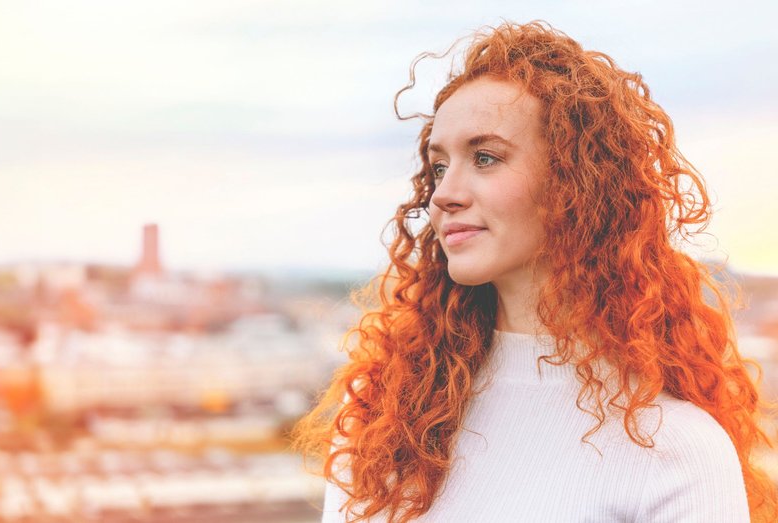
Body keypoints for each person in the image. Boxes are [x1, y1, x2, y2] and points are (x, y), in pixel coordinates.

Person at [290, 20, 778, 523]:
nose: (443, 194)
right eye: (439, 167)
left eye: (485, 157)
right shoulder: (386, 419)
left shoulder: (675, 448)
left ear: (574, 183)